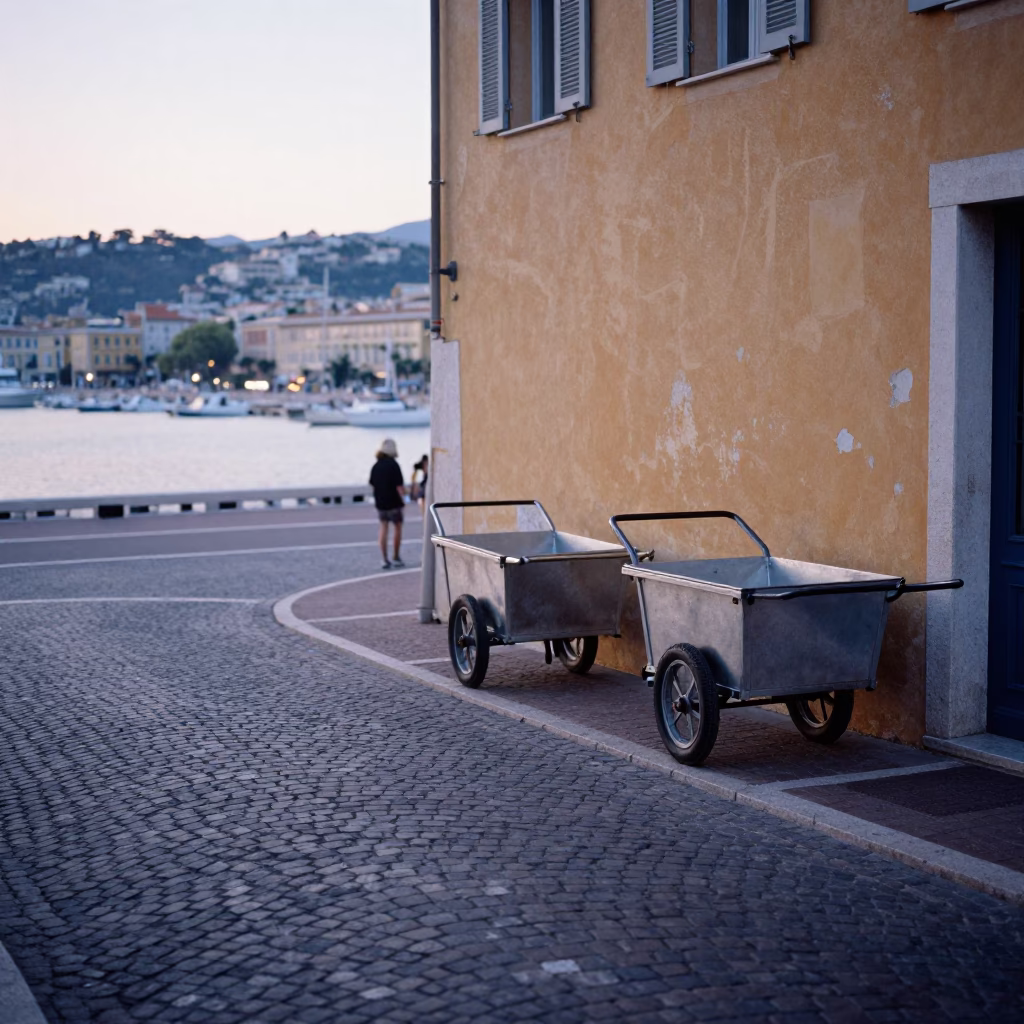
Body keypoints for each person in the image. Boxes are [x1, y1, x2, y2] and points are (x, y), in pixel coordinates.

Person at [369, 438, 405, 569]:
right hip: (394, 503)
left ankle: (384, 559)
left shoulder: (376, 466)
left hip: (381, 504)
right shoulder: (394, 465)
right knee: (397, 528)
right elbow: (399, 487)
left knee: (383, 528)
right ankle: (396, 556)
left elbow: (372, 484)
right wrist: (404, 500)